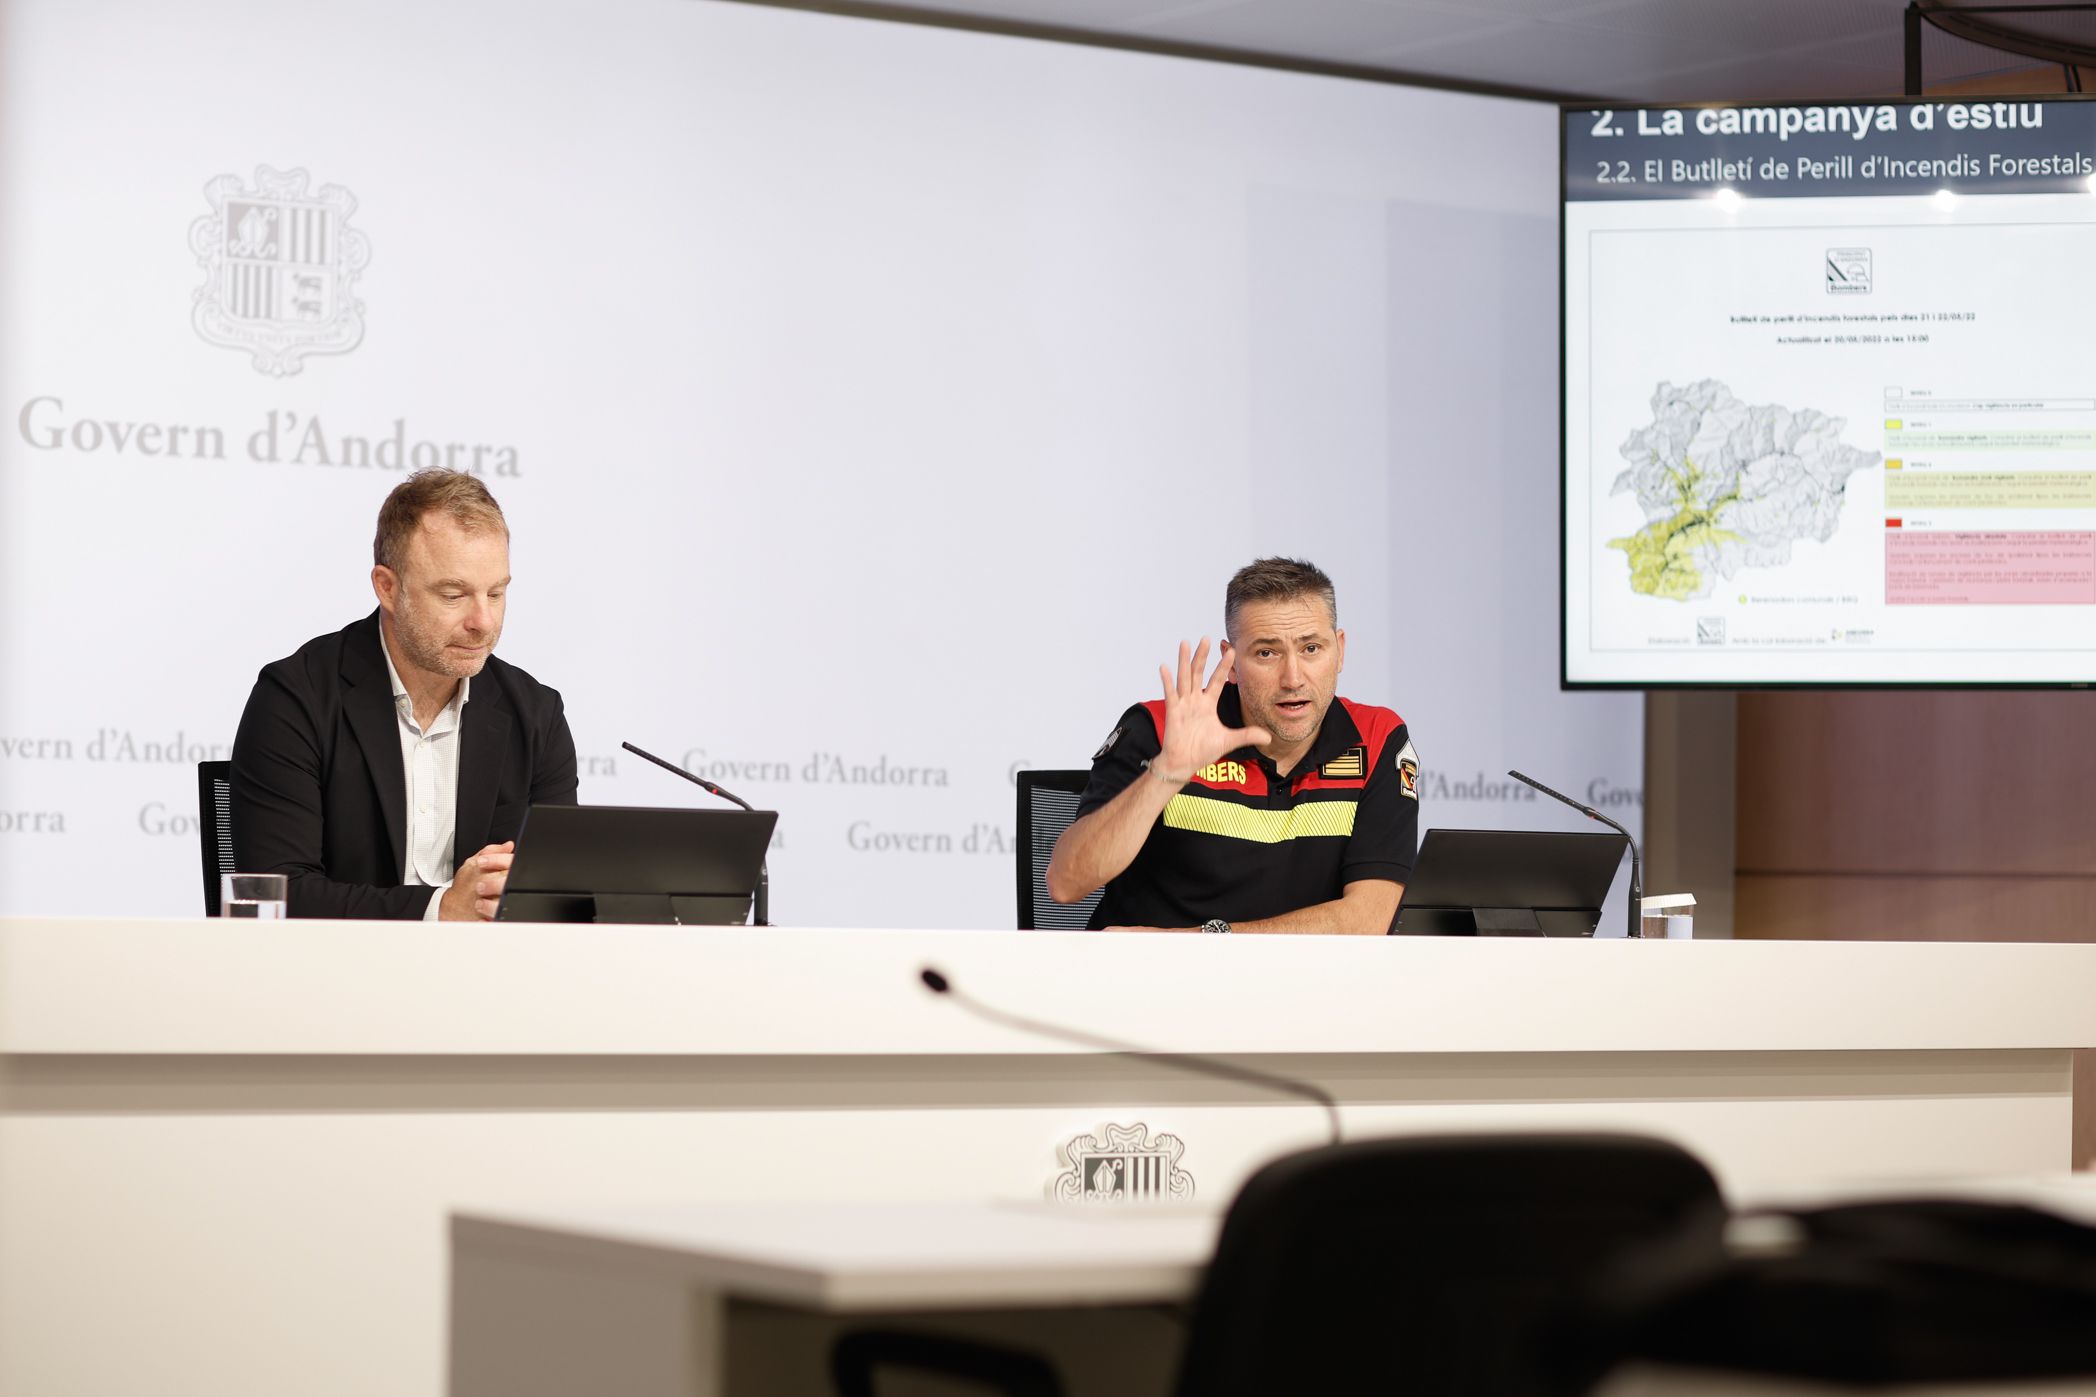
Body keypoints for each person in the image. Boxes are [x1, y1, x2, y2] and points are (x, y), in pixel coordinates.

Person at [230, 469, 578, 919]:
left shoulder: (536, 714)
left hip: (485, 980)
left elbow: (550, 895)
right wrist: (441, 908)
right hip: (329, 978)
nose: (483, 621)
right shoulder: (295, 698)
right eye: (453, 595)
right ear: (388, 588)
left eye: (496, 593)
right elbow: (274, 895)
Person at [1045, 557, 1416, 934]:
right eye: (1266, 653)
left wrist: (1201, 943)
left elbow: (1368, 919)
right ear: (1232, 661)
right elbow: (1066, 883)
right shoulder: (1160, 728)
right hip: (1153, 986)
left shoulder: (1377, 737)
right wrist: (1167, 772)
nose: (1293, 678)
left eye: (1311, 649)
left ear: (1339, 650)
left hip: (1297, 986)